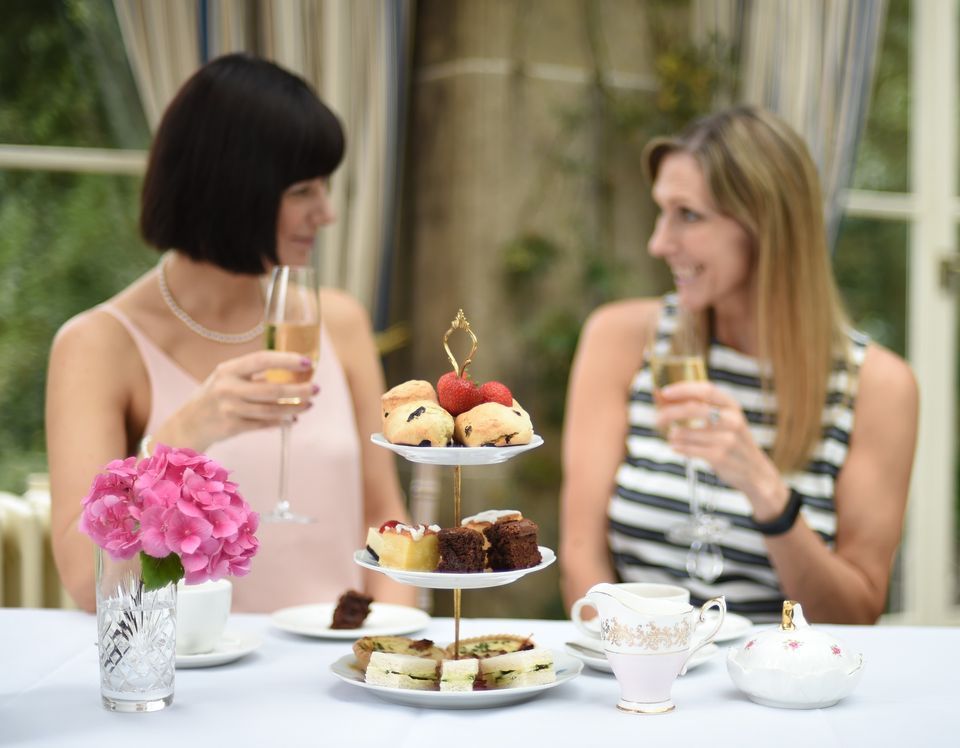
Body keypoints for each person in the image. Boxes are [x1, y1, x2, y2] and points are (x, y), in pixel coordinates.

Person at [46, 53, 414, 613]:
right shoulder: (98, 345)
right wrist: (186, 431)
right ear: (231, 186)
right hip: (197, 685)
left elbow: (385, 521)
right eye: (303, 191)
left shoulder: (334, 320)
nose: (327, 213)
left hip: (342, 676)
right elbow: (82, 582)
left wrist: (393, 643)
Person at [559, 106, 918, 624]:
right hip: (637, 676)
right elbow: (580, 559)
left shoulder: (877, 387)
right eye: (662, 211)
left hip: (779, 689)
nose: (659, 243)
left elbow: (855, 614)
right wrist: (637, 666)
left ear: (765, 228)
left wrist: (764, 489)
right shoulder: (622, 340)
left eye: (688, 215)